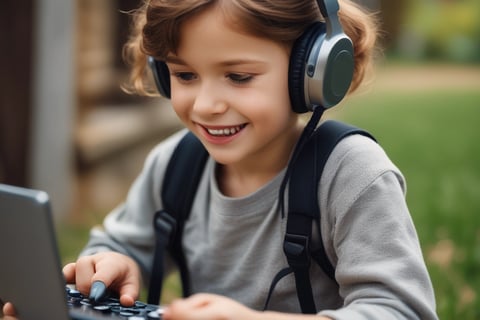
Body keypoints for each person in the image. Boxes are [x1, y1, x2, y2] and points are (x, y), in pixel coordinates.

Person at [2, 0, 438, 319]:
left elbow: (400, 310)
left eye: (238, 76)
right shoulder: (176, 163)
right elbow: (120, 244)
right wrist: (112, 263)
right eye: (185, 74)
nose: (207, 104)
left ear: (312, 72)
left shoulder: (352, 173)